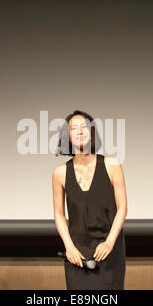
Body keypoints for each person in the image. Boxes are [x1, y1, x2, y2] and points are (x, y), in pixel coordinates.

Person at [52, 110, 127, 290]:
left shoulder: (112, 165)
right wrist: (69, 247)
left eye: (84, 127)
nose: (80, 131)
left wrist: (109, 242)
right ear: (67, 136)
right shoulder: (60, 173)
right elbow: (59, 214)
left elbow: (122, 207)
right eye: (74, 128)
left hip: (108, 249)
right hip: (77, 252)